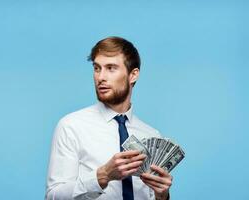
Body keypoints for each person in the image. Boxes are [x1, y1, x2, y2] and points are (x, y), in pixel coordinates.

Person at [45, 36, 173, 200]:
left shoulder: (151, 135)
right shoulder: (71, 126)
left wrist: (162, 196)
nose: (100, 77)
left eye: (111, 68)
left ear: (133, 75)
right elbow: (53, 196)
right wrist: (102, 176)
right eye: (97, 68)